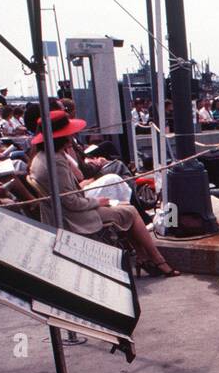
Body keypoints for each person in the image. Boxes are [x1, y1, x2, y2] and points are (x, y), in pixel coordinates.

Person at [29, 110, 179, 276]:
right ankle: (157, 260)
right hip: (73, 217)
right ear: (61, 137)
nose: (72, 136)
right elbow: (71, 202)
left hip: (66, 213)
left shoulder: (41, 158)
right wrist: (97, 202)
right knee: (130, 211)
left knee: (126, 208)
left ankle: (144, 257)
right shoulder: (56, 161)